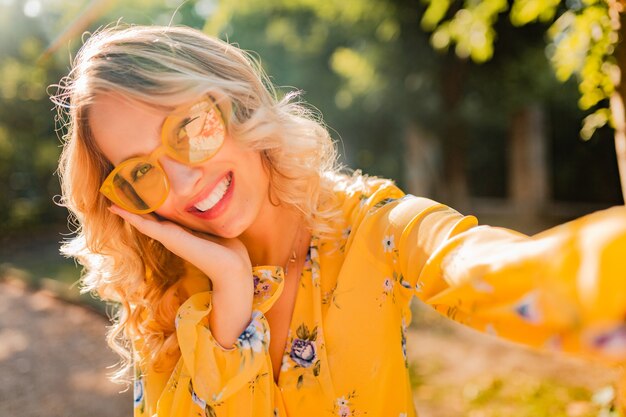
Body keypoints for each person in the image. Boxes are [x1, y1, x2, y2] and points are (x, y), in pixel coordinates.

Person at [51, 24, 626, 417]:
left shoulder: (371, 226)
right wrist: (228, 303)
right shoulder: (165, 300)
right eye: (139, 172)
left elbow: (492, 270)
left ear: (234, 102)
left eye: (188, 127)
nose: (181, 182)